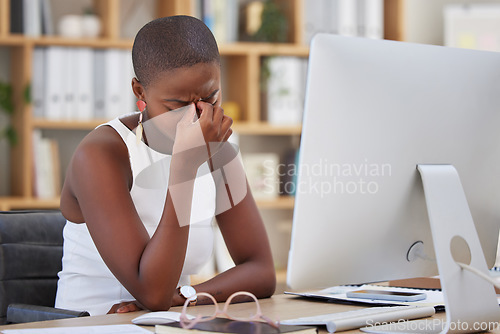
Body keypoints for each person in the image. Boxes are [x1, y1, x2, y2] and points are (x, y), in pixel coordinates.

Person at [55, 15, 276, 315]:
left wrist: (188, 295)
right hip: (92, 323)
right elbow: (153, 293)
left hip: (171, 321)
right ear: (140, 92)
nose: (197, 117)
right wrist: (184, 167)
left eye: (210, 97)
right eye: (177, 106)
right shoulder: (100, 155)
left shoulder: (218, 149)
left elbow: (262, 272)